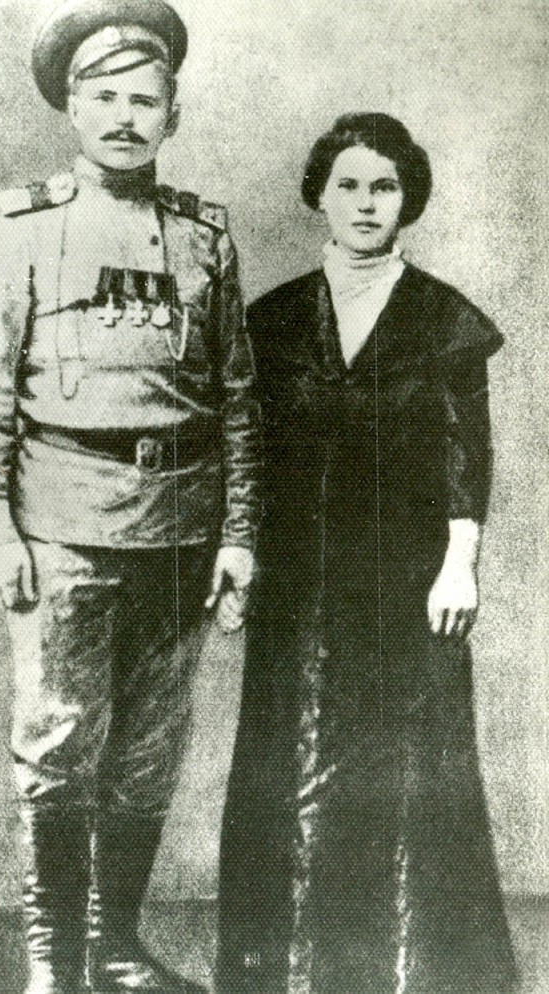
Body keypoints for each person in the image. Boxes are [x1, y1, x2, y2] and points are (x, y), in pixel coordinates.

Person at [0, 1, 260, 991]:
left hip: (181, 530)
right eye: (106, 98)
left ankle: (115, 945)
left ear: (173, 114)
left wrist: (239, 534)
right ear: (73, 108)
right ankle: (54, 959)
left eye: (145, 100)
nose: (126, 117)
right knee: (58, 745)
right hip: (64, 529)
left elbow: (239, 398)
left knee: (148, 752)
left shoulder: (204, 237)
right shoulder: (24, 226)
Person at [216, 113, 518, 994]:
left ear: (406, 198)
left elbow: (467, 448)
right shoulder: (271, 320)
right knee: (292, 765)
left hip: (406, 582)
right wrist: (236, 554)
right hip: (296, 580)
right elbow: (242, 449)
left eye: (383, 186)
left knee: (408, 773)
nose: (364, 203)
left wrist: (461, 560)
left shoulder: (444, 319)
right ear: (319, 193)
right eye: (347, 184)